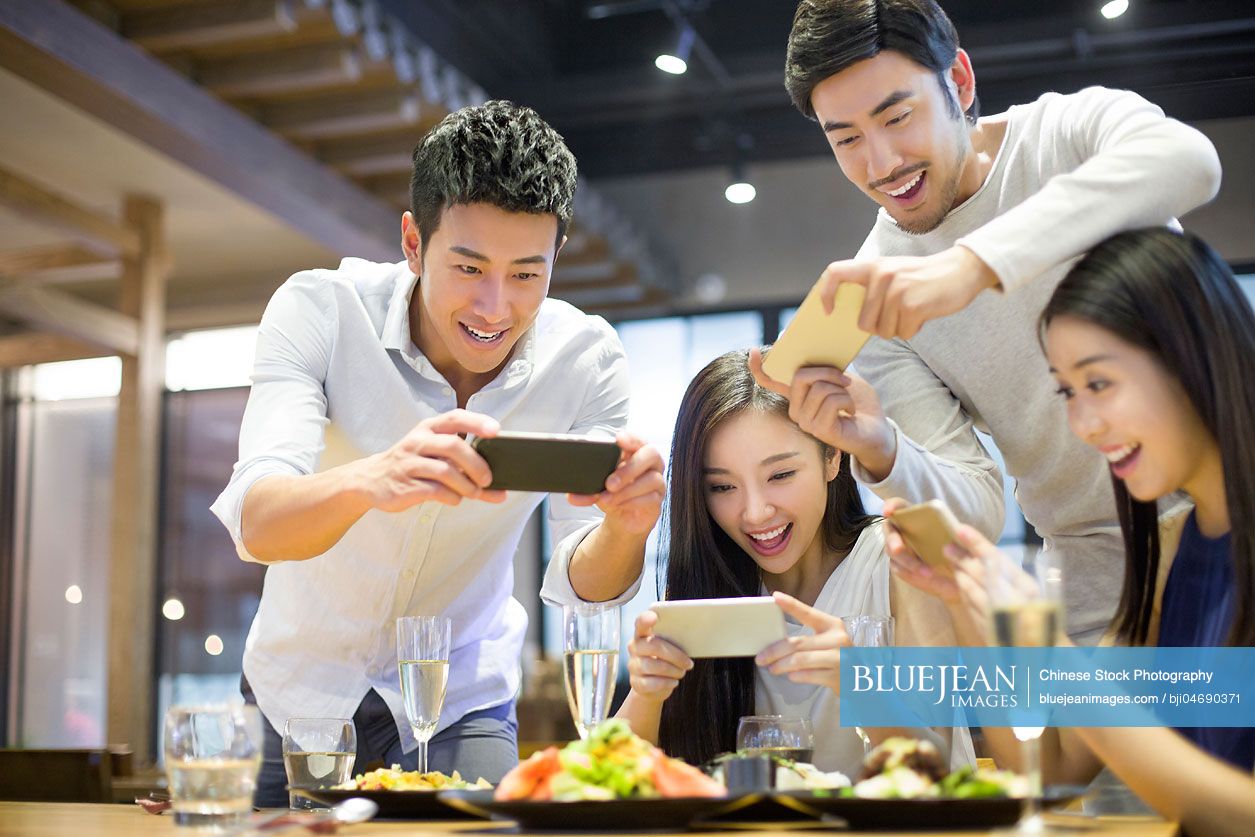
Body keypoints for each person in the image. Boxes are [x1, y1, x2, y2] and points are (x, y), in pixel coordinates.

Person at [210, 101, 663, 806]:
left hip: (461, 694)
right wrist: (374, 478)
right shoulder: (322, 312)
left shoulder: (587, 358)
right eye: (469, 266)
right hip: (298, 689)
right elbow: (257, 523)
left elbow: (586, 586)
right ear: (414, 243)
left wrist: (628, 526)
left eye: (526, 275)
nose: (494, 307)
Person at [762, 0, 1223, 642]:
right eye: (846, 140)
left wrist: (971, 266)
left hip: (1233, 512)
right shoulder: (877, 293)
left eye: (897, 116)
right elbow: (978, 509)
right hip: (1099, 585)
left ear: (959, 81)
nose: (882, 162)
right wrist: (880, 446)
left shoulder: (1064, 133)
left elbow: (1191, 163)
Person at [885, 228, 1255, 836]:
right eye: (1067, 391)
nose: (1082, 424)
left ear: (1193, 358)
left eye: (1100, 383)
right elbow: (1046, 769)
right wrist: (971, 609)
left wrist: (1053, 651)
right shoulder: (1168, 548)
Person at [616, 350, 971, 776]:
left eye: (781, 476)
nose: (755, 513)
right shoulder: (709, 585)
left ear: (833, 457)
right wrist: (646, 693)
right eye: (723, 486)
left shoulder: (900, 562)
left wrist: (856, 683)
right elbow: (610, 777)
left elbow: (939, 769)